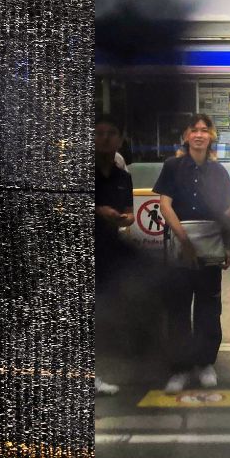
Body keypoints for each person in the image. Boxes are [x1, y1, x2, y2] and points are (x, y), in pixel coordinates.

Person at [153, 114, 230, 393]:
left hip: (211, 247)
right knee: (177, 309)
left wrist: (226, 244)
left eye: (205, 130)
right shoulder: (172, 166)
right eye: (194, 130)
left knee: (208, 309)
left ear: (211, 135)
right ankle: (179, 369)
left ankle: (204, 364)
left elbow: (226, 210)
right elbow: (165, 205)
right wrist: (184, 240)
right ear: (186, 136)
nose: (199, 135)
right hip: (180, 246)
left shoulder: (219, 171)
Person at [94, 115, 135, 396]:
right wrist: (99, 211)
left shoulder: (124, 177)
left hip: (110, 251)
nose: (106, 138)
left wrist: (125, 218)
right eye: (100, 133)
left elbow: (127, 211)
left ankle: (98, 374)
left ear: (120, 140)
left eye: (112, 133)